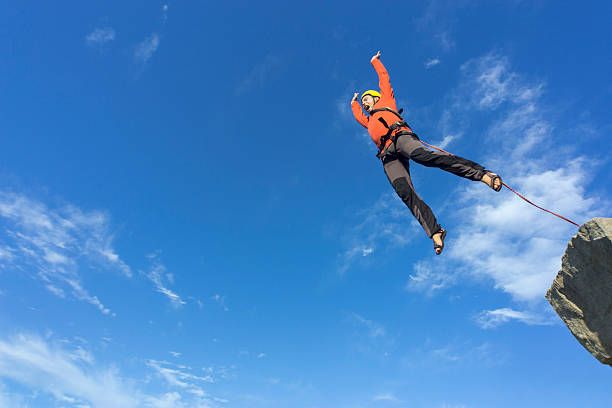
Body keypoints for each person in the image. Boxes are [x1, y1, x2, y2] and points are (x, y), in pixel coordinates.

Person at [351, 51, 502, 255]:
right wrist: (353, 102)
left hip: (401, 138)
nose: (365, 103)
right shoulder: (368, 121)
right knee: (404, 191)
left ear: (376, 98)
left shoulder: (386, 101)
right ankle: (435, 231)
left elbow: (384, 79)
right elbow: (358, 116)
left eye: (368, 99)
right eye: (364, 102)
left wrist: (374, 62)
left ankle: (483, 174)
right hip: (387, 154)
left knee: (425, 157)